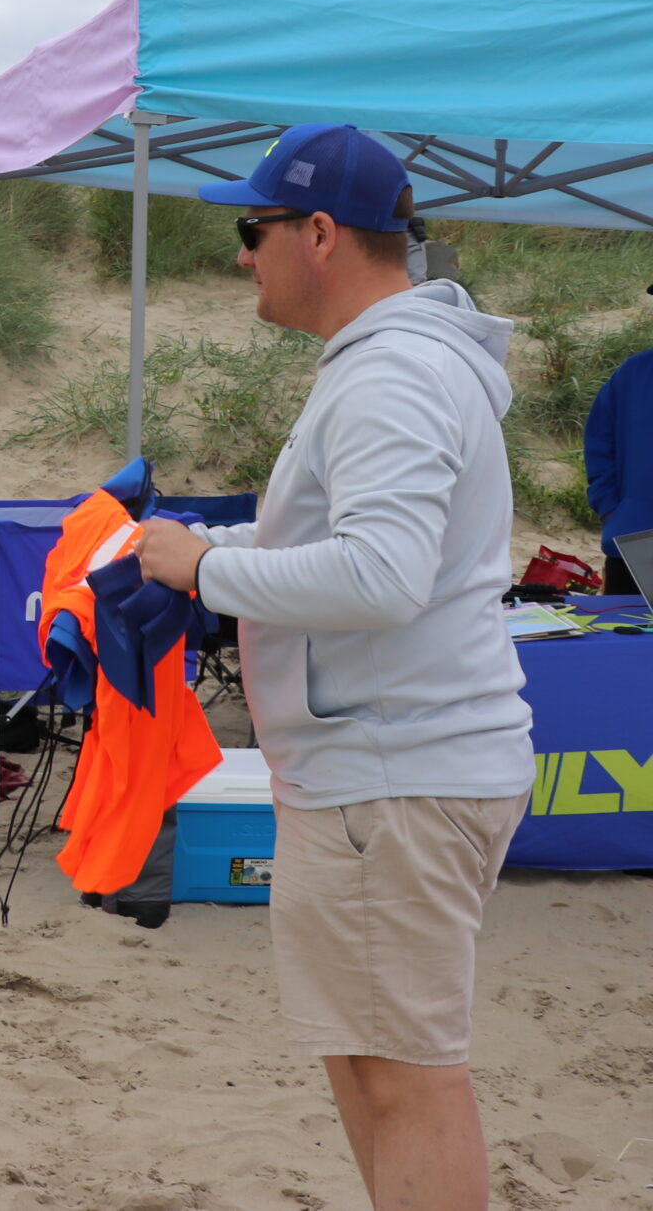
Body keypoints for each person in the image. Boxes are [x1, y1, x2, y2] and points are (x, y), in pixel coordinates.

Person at [135, 124, 531, 1211]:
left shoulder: (390, 374)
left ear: (318, 233)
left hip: (392, 776)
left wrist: (208, 569)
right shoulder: (396, 362)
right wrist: (219, 557)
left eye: (252, 228)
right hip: (388, 771)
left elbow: (380, 576)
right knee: (372, 1065)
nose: (241, 254)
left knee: (402, 1078)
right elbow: (359, 555)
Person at [583, 309, 653, 596]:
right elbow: (599, 443)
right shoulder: (633, 373)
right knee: (625, 623)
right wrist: (611, 509)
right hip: (635, 542)